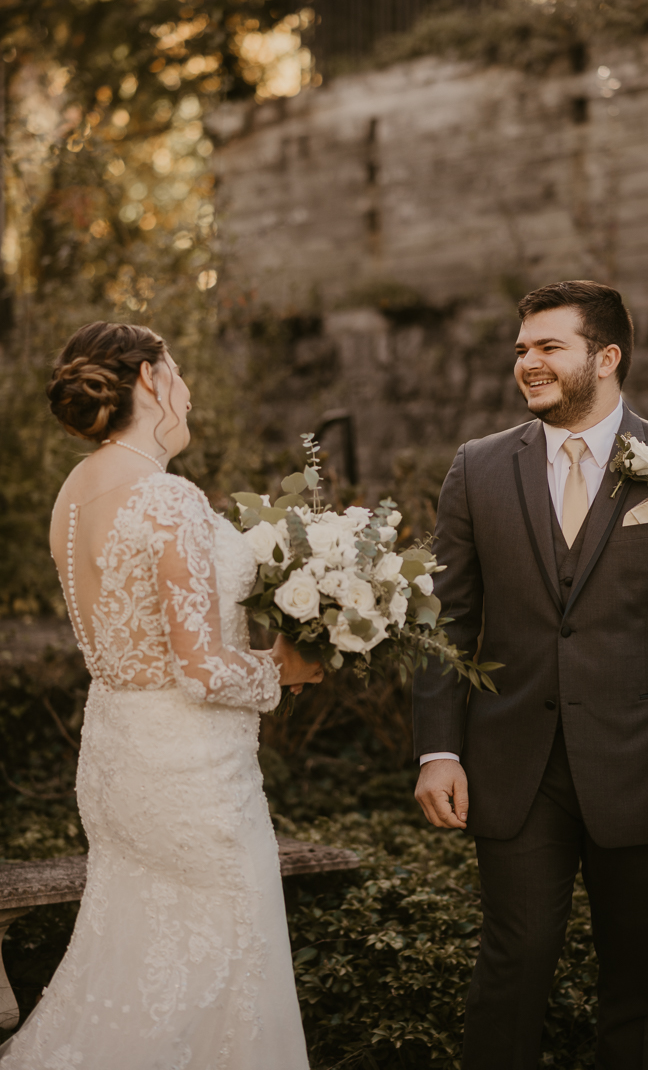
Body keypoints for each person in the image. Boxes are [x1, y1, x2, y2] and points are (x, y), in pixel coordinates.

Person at [412, 280, 648, 1070]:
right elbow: (447, 618)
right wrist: (439, 748)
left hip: (645, 767)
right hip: (513, 768)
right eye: (521, 350)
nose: (527, 362)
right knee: (511, 967)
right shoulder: (478, 467)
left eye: (548, 347)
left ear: (606, 358)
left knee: (640, 986)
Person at [0, 320, 321, 1069]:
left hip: (118, 759)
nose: (187, 387)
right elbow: (203, 669)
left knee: (135, 960)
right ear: (148, 378)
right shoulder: (165, 497)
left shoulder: (73, 496)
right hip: (190, 777)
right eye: (176, 370)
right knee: (219, 972)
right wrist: (284, 668)